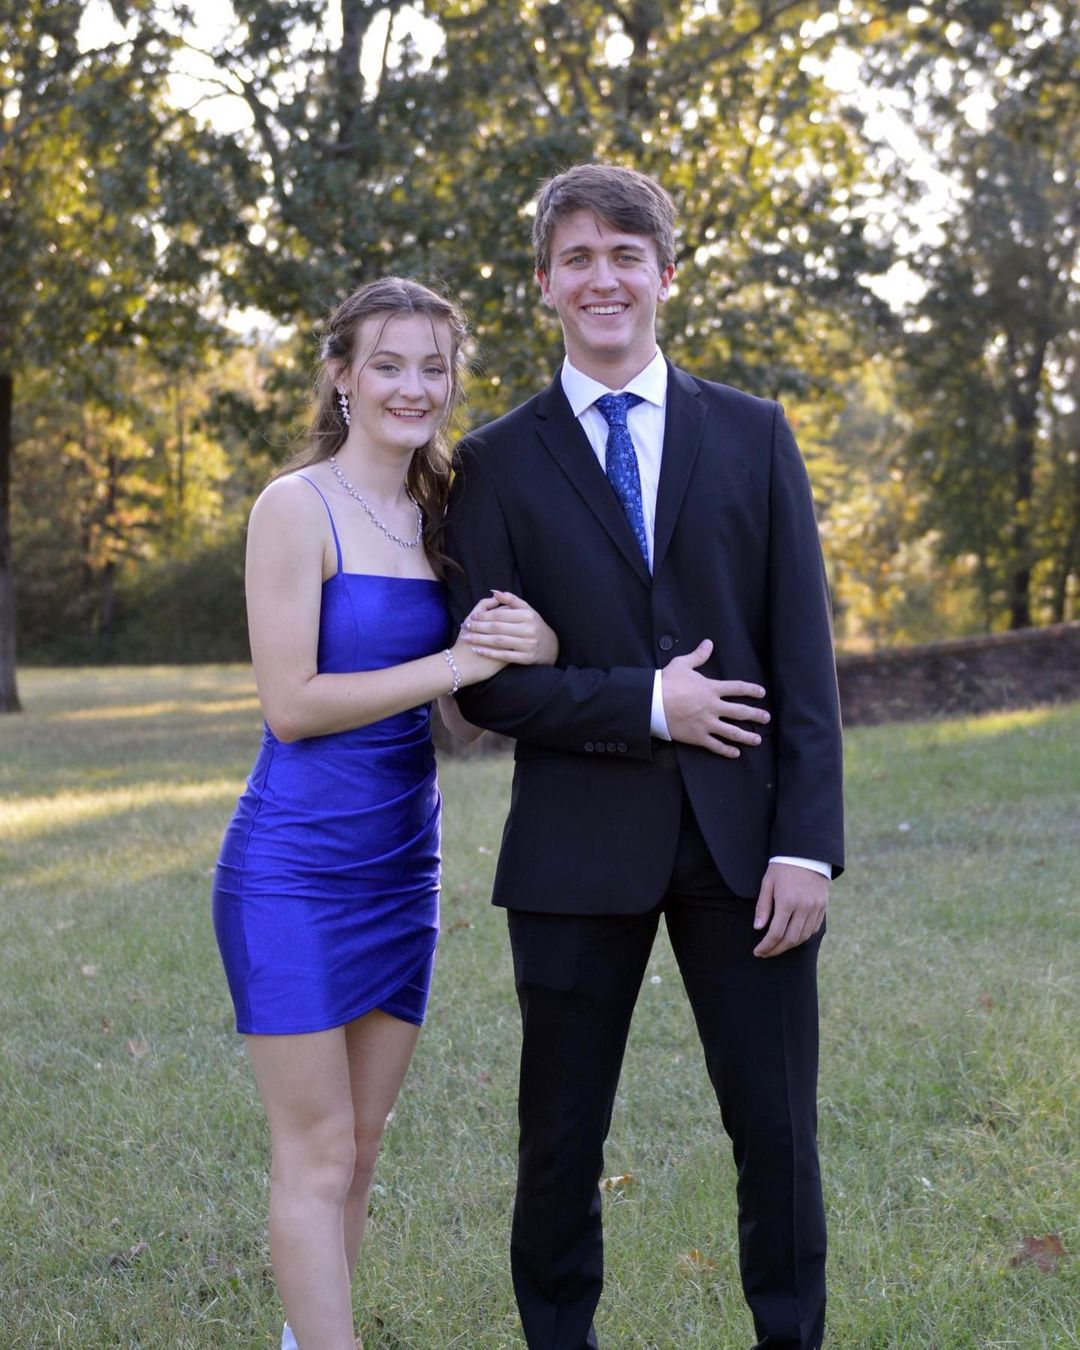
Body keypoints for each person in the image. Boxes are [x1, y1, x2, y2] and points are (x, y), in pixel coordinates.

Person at [442, 164, 844, 1350]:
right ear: (544, 283)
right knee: (561, 1141)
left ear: (667, 273)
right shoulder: (493, 463)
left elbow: (804, 661)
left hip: (746, 850)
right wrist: (648, 703)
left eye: (626, 254)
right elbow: (490, 685)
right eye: (577, 257)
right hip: (574, 852)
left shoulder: (754, 434)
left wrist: (807, 847)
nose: (603, 278)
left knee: (777, 1131)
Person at [211, 277, 558, 1350]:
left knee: (360, 1148)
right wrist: (454, 661)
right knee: (316, 1152)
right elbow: (293, 705)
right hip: (293, 867)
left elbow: (464, 717)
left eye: (434, 367)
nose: (414, 386)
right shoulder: (294, 506)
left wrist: (528, 646)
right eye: (389, 364)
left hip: (404, 866)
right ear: (342, 377)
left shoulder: (444, 514)